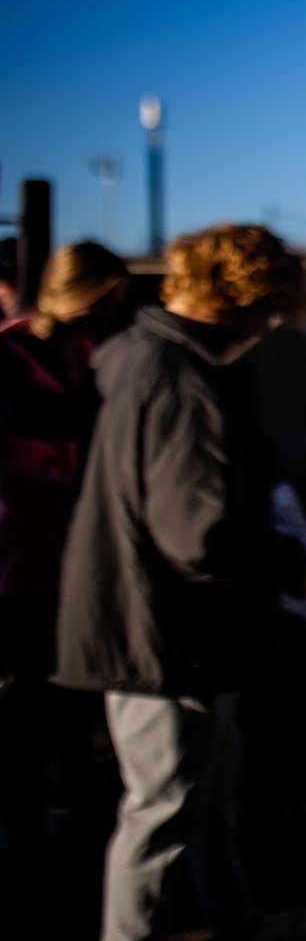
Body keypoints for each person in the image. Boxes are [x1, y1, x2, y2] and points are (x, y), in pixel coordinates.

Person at [53, 224, 306, 941]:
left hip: (146, 619)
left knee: (202, 784)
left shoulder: (131, 351)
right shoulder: (188, 375)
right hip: (163, 631)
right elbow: (194, 531)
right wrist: (284, 556)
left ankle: (236, 931)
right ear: (247, 301)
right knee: (162, 805)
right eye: (269, 310)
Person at [0, 243, 132, 864]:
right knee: (28, 694)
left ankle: (70, 809)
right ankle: (24, 813)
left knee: (77, 688)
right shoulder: (12, 355)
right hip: (22, 554)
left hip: (79, 552)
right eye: (108, 295)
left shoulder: (91, 356)